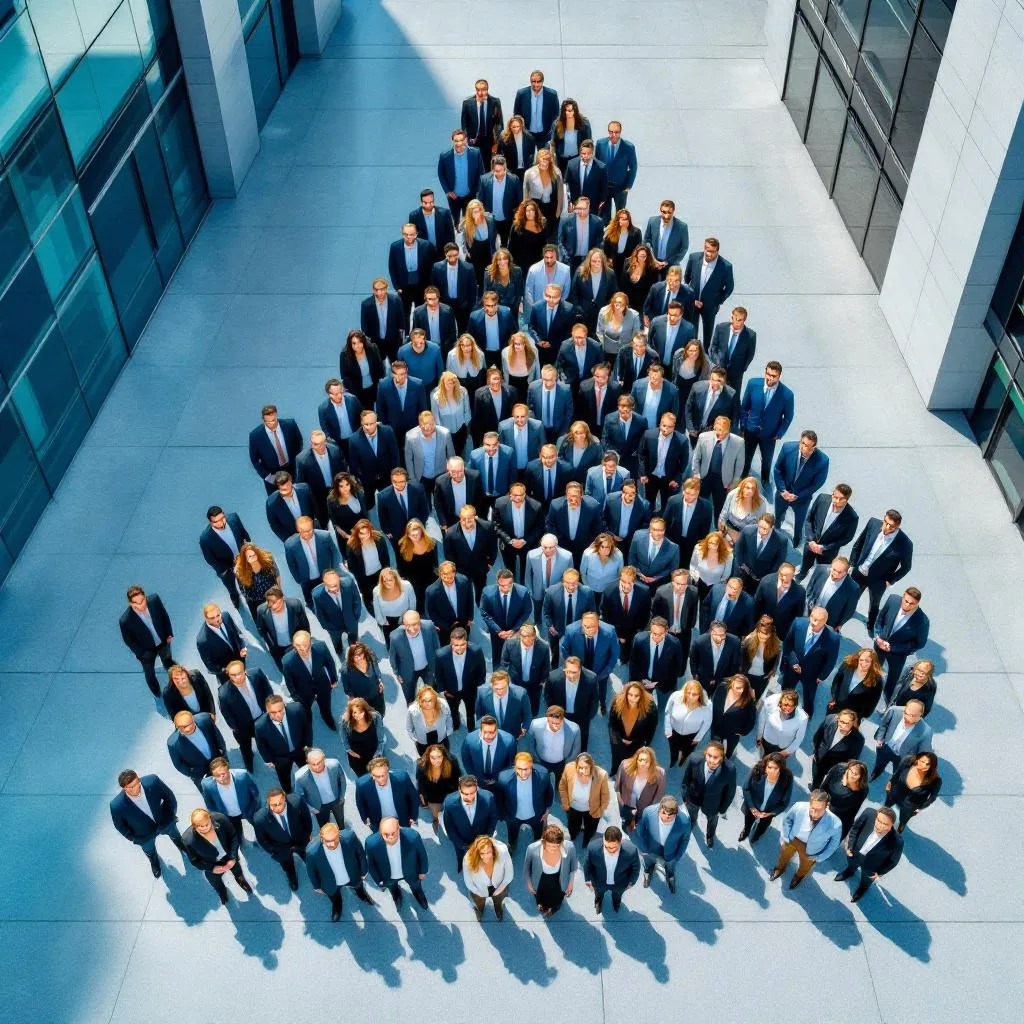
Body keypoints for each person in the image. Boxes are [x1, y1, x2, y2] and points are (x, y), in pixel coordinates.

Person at [849, 509, 914, 632]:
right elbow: (858, 544)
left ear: (898, 526)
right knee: (852, 596)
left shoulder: (905, 543)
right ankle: (847, 613)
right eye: (886, 522)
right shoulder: (873, 523)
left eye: (892, 526)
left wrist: (891, 580)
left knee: (874, 605)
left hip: (879, 580)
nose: (887, 527)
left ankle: (871, 624)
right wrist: (852, 564)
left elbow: (906, 567)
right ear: (884, 518)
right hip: (859, 571)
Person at [110, 769, 182, 877]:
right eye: (131, 787)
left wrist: (171, 815)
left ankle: (182, 847)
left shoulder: (153, 781)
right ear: (124, 788)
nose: (136, 789)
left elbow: (170, 797)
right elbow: (120, 826)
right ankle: (154, 862)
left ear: (138, 779)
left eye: (136, 783)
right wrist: (134, 838)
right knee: (150, 851)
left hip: (164, 821)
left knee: (176, 835)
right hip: (143, 835)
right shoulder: (116, 805)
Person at [770, 791, 843, 889]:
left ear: (827, 806)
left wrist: (819, 857)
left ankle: (799, 876)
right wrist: (785, 838)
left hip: (812, 851)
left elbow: (833, 845)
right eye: (812, 808)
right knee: (783, 856)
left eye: (819, 809)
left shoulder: (836, 823)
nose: (815, 813)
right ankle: (779, 868)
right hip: (793, 840)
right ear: (809, 803)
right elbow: (787, 820)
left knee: (805, 867)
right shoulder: (799, 807)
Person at [739, 360, 795, 483]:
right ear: (765, 372)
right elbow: (744, 407)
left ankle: (765, 480)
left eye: (774, 376)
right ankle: (743, 477)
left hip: (770, 435)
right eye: (768, 374)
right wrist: (743, 425)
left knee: (766, 460)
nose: (770, 378)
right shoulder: (753, 384)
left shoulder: (787, 395)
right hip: (750, 430)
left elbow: (788, 417)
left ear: (779, 376)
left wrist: (779, 433)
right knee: (746, 457)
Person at [181, 809, 253, 904]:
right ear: (194, 826)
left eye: (207, 824)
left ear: (210, 819)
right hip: (211, 864)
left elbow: (233, 836)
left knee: (237, 870)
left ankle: (239, 878)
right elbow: (195, 860)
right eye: (201, 826)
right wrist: (212, 868)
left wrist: (233, 857)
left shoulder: (221, 819)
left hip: (229, 856)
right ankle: (221, 891)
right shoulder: (187, 840)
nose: (205, 827)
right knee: (216, 882)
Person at [306, 823, 375, 921]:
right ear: (321, 838)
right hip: (330, 882)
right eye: (328, 841)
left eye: (335, 839)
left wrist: (364, 871)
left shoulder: (350, 837)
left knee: (358, 886)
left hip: (352, 875)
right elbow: (311, 871)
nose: (332, 844)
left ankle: (362, 895)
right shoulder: (312, 852)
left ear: (339, 834)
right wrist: (316, 886)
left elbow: (361, 854)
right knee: (334, 896)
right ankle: (337, 906)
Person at [772, 430, 829, 546]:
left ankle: (797, 538)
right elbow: (777, 469)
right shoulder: (787, 448)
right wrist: (782, 490)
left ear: (814, 447)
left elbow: (817, 484)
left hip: (802, 498)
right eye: (802, 443)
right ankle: (775, 533)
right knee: (777, 515)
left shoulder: (823, 461)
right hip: (783, 493)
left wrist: (798, 496)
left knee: (799, 522)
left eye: (807, 446)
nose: (803, 447)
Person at [835, 806, 904, 902]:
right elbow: (855, 829)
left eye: (885, 824)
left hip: (872, 867)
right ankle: (849, 872)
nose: (880, 825)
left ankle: (862, 888)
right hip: (854, 854)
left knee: (866, 881)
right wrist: (850, 846)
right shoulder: (868, 813)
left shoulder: (897, 841)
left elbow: (893, 861)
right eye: (878, 821)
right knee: (851, 865)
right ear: (876, 817)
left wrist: (880, 873)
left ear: (892, 825)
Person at [781, 607, 841, 715]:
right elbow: (787, 644)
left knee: (809, 697)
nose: (812, 621)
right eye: (812, 616)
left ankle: (806, 715)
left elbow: (831, 661)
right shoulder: (798, 623)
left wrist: (821, 676)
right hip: (792, 668)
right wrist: (793, 662)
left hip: (812, 674)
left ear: (824, 622)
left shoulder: (833, 638)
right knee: (786, 690)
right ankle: (783, 708)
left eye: (817, 620)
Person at [873, 587, 930, 695]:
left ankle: (886, 697)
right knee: (874, 668)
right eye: (906, 601)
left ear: (917, 603)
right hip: (879, 645)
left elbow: (920, 643)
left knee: (892, 679)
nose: (907, 605)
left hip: (898, 654)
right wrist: (878, 637)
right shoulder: (892, 600)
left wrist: (895, 648)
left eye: (912, 603)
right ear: (903, 596)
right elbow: (880, 620)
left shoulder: (922, 620)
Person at [119, 586, 174, 696]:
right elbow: (128, 640)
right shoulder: (125, 620)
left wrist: (169, 634)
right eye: (137, 603)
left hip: (163, 642)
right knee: (149, 674)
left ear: (144, 596)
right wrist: (141, 653)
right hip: (146, 651)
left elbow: (164, 616)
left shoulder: (154, 600)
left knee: (168, 661)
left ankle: (175, 682)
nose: (141, 605)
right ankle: (157, 693)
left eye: (142, 600)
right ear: (131, 604)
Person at [216, 660, 271, 772]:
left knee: (268, 740)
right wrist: (237, 729)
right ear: (229, 675)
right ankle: (249, 765)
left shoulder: (256, 674)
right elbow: (227, 714)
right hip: (243, 727)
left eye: (240, 673)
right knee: (246, 749)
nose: (237, 677)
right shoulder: (223, 693)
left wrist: (270, 710)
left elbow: (268, 690)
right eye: (233, 675)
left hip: (263, 717)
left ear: (244, 670)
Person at [253, 788, 312, 890]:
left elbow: (307, 819)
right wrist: (273, 851)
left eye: (280, 803)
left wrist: (306, 835)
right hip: (280, 848)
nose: (278, 807)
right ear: (268, 803)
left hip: (301, 839)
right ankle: (291, 875)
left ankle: (314, 870)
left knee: (309, 857)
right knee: (287, 865)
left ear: (285, 798)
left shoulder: (297, 801)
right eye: (274, 805)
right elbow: (262, 840)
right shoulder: (259, 819)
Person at [365, 817, 430, 910]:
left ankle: (418, 893)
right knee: (393, 889)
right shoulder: (371, 843)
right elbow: (371, 864)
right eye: (386, 834)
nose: (390, 837)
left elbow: (422, 855)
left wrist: (423, 871)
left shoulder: (413, 837)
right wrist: (379, 880)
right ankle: (397, 896)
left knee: (416, 886)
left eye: (393, 833)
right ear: (380, 832)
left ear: (398, 828)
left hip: (411, 872)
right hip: (389, 876)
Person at [681, 740, 737, 847]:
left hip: (713, 804)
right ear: (705, 753)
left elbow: (730, 792)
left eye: (715, 757)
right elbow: (686, 779)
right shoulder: (694, 759)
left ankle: (710, 835)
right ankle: (692, 823)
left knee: (712, 821)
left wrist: (723, 809)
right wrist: (685, 796)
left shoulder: (730, 770)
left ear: (722, 757)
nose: (711, 760)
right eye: (709, 755)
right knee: (691, 815)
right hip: (693, 798)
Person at [798, 484, 858, 580]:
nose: (836, 501)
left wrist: (824, 547)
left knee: (821, 574)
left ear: (846, 500)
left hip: (828, 552)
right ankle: (801, 576)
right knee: (804, 567)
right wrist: (811, 540)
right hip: (811, 544)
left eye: (841, 499)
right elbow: (809, 519)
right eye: (835, 496)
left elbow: (847, 538)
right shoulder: (822, 498)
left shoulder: (852, 517)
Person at [497, 752, 554, 852]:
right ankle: (512, 844)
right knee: (512, 832)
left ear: (531, 766)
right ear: (515, 766)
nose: (523, 773)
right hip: (513, 816)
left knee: (538, 832)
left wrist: (547, 809)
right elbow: (499, 799)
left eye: (526, 769)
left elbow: (549, 792)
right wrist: (504, 816)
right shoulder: (504, 778)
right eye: (519, 769)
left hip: (536, 815)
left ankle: (538, 843)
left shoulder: (543, 775)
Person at [683, 237, 734, 344]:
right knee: (692, 332)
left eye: (712, 251)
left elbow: (729, 288)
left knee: (708, 335)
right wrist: (691, 298)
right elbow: (687, 278)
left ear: (717, 251)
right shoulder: (694, 258)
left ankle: (706, 355)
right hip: (693, 303)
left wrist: (718, 301)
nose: (709, 253)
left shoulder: (726, 266)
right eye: (707, 249)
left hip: (710, 306)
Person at [254, 694, 311, 793]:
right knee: (284, 778)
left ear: (284, 705)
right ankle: (288, 792)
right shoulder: (260, 725)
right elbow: (261, 744)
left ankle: (309, 786)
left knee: (307, 770)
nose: (278, 715)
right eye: (273, 712)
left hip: (300, 750)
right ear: (267, 710)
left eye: (280, 710)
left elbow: (307, 727)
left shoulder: (297, 709)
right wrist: (268, 760)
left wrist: (308, 746)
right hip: (280, 758)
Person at [692, 416, 745, 520]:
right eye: (717, 429)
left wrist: (734, 483)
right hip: (704, 476)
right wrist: (696, 474)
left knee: (719, 507)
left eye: (722, 430)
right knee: (699, 503)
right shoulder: (703, 437)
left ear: (728, 430)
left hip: (723, 481)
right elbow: (696, 458)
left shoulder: (739, 442)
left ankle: (717, 527)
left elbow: (739, 465)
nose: (719, 433)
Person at [443, 503, 498, 603]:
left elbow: (493, 547)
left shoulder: (487, 527)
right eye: (463, 519)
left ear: (475, 516)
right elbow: (449, 554)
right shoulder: (450, 533)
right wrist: (455, 571)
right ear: (459, 518)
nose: (467, 522)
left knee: (480, 590)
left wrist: (490, 564)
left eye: (470, 518)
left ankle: (480, 604)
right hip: (462, 571)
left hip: (481, 568)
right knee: (464, 593)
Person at [284, 514, 342, 607]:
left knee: (332, 602)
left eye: (309, 530)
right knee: (312, 604)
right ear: (298, 529)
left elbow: (335, 553)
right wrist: (299, 579)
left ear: (313, 526)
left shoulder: (325, 536)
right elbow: (291, 564)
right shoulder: (290, 545)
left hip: (325, 576)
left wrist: (334, 571)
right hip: (306, 580)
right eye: (303, 531)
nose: (306, 534)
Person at [442, 775, 499, 870]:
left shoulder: (488, 798)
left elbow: (493, 819)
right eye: (465, 794)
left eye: (472, 793)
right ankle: (461, 865)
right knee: (462, 857)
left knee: (485, 860)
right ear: (459, 790)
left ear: (477, 788)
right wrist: (463, 846)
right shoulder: (449, 802)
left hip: (483, 839)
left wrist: (486, 838)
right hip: (462, 841)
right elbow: (449, 827)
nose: (469, 797)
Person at [635, 796, 690, 894]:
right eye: (664, 813)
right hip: (650, 849)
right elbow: (640, 830)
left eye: (671, 815)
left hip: (671, 852)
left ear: (676, 813)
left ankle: (670, 876)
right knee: (648, 863)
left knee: (670, 867)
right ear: (659, 809)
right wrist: (642, 849)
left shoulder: (684, 822)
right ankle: (648, 870)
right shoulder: (648, 812)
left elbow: (685, 840)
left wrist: (677, 857)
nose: (667, 817)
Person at [347, 410, 400, 510]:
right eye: (366, 424)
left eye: (372, 424)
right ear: (361, 423)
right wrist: (361, 478)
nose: (369, 427)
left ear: (376, 421)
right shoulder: (354, 440)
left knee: (390, 502)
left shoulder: (387, 432)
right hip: (367, 481)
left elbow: (394, 455)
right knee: (368, 505)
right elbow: (354, 464)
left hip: (386, 476)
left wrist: (394, 474)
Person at [638, 411, 689, 514]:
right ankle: (648, 523)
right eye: (664, 425)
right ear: (660, 424)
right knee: (649, 503)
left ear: (674, 426)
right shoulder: (649, 435)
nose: (666, 429)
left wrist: (676, 479)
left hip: (669, 479)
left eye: (670, 426)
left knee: (667, 506)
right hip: (651, 477)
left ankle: (663, 525)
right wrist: (643, 474)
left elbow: (683, 462)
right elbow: (641, 455)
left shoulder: (682, 440)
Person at [544, 653, 599, 750]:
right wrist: (554, 714)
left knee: (581, 743)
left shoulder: (591, 679)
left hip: (582, 718)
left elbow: (594, 701)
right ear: (564, 669)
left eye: (574, 672)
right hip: (560, 716)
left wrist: (588, 717)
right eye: (568, 672)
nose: (571, 676)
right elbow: (548, 696)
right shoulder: (553, 677)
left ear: (580, 670)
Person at [493, 480, 544, 583]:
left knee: (526, 570)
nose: (518, 497)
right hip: (508, 545)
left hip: (527, 544)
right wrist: (510, 541)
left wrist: (525, 541)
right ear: (510, 495)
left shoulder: (536, 506)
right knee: (509, 569)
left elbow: (539, 527)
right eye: (515, 495)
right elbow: (496, 525)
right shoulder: (500, 504)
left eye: (521, 495)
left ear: (525, 494)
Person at [199, 506, 250, 609]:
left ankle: (249, 597)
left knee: (247, 582)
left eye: (222, 518)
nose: (221, 523)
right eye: (216, 522)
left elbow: (244, 533)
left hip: (243, 558)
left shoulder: (234, 518)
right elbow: (210, 559)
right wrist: (228, 570)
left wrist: (249, 547)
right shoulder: (205, 539)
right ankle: (234, 594)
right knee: (230, 585)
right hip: (226, 568)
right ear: (210, 522)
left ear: (224, 514)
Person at [296, 429, 347, 530]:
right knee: (323, 521)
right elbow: (301, 484)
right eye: (316, 444)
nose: (320, 447)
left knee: (342, 518)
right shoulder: (302, 460)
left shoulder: (335, 450)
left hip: (336, 491)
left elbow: (344, 471)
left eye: (322, 443)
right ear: (311, 444)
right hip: (318, 497)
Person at [738, 752, 793, 843]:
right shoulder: (756, 771)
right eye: (769, 767)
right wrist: (752, 807)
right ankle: (746, 831)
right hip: (752, 806)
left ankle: (756, 836)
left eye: (776, 768)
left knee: (763, 826)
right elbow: (746, 788)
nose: (772, 771)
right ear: (765, 767)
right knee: (748, 821)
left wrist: (771, 813)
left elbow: (784, 803)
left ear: (781, 769)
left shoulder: (787, 779)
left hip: (769, 812)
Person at [871, 700, 933, 781]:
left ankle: (893, 781)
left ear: (920, 716)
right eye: (906, 713)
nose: (907, 717)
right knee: (879, 763)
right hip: (885, 747)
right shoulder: (894, 711)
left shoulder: (926, 731)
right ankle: (876, 772)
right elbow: (884, 725)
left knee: (897, 773)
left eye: (912, 716)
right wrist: (880, 739)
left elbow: (924, 752)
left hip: (903, 758)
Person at [525, 823, 577, 918]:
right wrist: (529, 884)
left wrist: (571, 883)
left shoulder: (570, 847)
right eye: (550, 845)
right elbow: (527, 869)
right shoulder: (532, 849)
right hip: (540, 879)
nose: (553, 849)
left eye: (557, 846)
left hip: (559, 878)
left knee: (558, 897)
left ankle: (555, 907)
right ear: (543, 841)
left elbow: (573, 866)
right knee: (540, 896)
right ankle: (543, 906)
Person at [584, 825, 640, 912]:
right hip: (599, 882)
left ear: (620, 841)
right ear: (603, 840)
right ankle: (598, 901)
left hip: (620, 883)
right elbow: (587, 865)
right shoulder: (592, 848)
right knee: (598, 894)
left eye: (614, 847)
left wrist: (632, 882)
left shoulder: (631, 851)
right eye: (607, 846)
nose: (610, 850)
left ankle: (616, 902)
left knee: (617, 896)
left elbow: (636, 869)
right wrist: (587, 879)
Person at [545, 481, 603, 567]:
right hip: (562, 546)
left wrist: (591, 544)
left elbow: (597, 527)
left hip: (584, 546)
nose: (572, 499)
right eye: (570, 496)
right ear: (566, 494)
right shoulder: (555, 505)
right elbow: (549, 524)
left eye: (575, 496)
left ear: (581, 495)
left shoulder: (592, 506)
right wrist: (556, 540)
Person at [389, 609, 441, 703]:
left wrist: (438, 665)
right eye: (408, 625)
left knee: (431, 689)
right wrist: (396, 672)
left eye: (414, 624)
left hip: (428, 667)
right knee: (409, 694)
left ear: (420, 622)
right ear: (403, 624)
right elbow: (392, 657)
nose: (411, 629)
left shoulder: (429, 627)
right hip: (408, 671)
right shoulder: (395, 637)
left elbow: (436, 646)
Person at [167, 710, 226, 791]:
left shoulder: (205, 720)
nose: (187, 729)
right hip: (200, 774)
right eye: (182, 727)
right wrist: (193, 773)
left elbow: (218, 737)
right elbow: (178, 764)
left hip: (219, 761)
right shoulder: (173, 743)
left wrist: (223, 753)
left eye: (188, 724)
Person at [201, 757, 260, 840]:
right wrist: (218, 818)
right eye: (217, 775)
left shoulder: (243, 776)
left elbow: (255, 793)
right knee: (236, 833)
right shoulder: (207, 785)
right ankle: (240, 840)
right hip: (228, 816)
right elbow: (209, 804)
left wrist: (254, 808)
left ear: (229, 769)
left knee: (258, 827)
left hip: (248, 810)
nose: (221, 778)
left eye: (223, 774)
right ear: (213, 776)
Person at [249, 403, 302, 493]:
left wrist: (297, 464)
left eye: (273, 420)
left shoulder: (290, 425)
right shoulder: (255, 436)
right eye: (268, 422)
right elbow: (255, 460)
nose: (272, 424)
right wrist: (268, 477)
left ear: (276, 415)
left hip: (292, 469)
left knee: (299, 496)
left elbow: (299, 442)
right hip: (273, 475)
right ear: (263, 420)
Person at [355, 757, 419, 832]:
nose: (381, 779)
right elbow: (360, 803)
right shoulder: (362, 785)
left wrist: (413, 816)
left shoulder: (402, 778)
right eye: (378, 776)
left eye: (384, 775)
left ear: (388, 770)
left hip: (402, 819)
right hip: (378, 823)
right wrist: (365, 818)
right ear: (372, 775)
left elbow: (413, 798)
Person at [608, 682, 659, 774]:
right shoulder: (617, 702)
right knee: (616, 758)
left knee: (632, 762)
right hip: (618, 740)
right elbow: (612, 724)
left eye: (636, 696)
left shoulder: (650, 709)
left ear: (641, 696)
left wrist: (637, 742)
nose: (633, 698)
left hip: (636, 743)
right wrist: (617, 741)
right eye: (630, 695)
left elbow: (650, 731)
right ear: (626, 694)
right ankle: (615, 771)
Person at [885, 751, 942, 833]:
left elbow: (932, 798)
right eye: (922, 761)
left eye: (927, 764)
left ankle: (902, 824)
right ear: (918, 758)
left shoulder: (935, 780)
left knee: (904, 818)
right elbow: (897, 773)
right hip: (895, 793)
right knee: (886, 808)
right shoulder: (907, 761)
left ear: (932, 766)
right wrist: (890, 782)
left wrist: (921, 807)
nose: (924, 765)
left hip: (911, 804)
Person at [255, 586, 309, 671]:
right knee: (286, 671)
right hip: (278, 649)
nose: (274, 607)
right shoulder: (261, 610)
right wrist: (270, 643)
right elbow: (261, 629)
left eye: (276, 602)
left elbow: (305, 625)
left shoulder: (295, 605)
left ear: (283, 598)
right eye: (271, 604)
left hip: (296, 644)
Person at [438, 128, 485, 226]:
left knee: (468, 220)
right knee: (455, 217)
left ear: (466, 140)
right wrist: (448, 191)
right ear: (452, 141)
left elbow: (481, 173)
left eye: (461, 140)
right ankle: (456, 224)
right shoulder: (445, 156)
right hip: (453, 196)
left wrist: (476, 191)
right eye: (456, 141)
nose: (459, 143)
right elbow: (441, 174)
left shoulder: (475, 153)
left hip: (470, 195)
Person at [404, 410, 455, 499]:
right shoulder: (410, 437)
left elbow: (451, 456)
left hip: (440, 475)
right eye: (425, 423)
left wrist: (452, 474)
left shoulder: (445, 434)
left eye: (431, 423)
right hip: (422, 477)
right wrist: (412, 479)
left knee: (441, 501)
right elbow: (408, 458)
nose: (428, 427)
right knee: (425, 503)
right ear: (419, 425)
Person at [752, 562, 805, 646]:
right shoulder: (766, 582)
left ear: (793, 575)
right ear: (778, 572)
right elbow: (756, 604)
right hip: (761, 625)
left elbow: (797, 616)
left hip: (781, 630)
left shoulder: (799, 593)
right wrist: (754, 624)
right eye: (781, 574)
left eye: (787, 575)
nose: (784, 578)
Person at [463, 835, 514, 922]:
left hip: (499, 885)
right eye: (482, 853)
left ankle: (498, 909)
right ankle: (479, 910)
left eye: (488, 852)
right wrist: (478, 892)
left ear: (493, 850)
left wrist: (500, 889)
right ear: (477, 853)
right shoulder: (468, 859)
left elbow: (509, 874)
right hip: (478, 888)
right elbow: (468, 881)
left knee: (498, 901)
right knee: (479, 903)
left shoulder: (503, 852)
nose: (486, 856)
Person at [811, 709, 866, 789]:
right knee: (816, 777)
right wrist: (815, 752)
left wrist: (841, 771)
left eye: (847, 724)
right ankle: (814, 788)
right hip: (818, 758)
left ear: (853, 723)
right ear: (837, 719)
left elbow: (852, 760)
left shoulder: (858, 740)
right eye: (841, 722)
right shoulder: (830, 720)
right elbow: (817, 737)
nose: (843, 726)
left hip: (834, 766)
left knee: (829, 784)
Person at [615, 746, 665, 833]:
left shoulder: (660, 774)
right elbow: (617, 788)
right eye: (640, 760)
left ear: (651, 762)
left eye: (646, 761)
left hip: (644, 808)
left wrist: (650, 812)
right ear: (636, 760)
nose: (642, 763)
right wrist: (623, 807)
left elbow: (659, 796)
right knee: (627, 821)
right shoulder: (625, 766)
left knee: (639, 824)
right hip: (627, 805)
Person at [424, 561, 475, 647]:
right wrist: (445, 626)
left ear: (455, 572)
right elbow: (430, 613)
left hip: (463, 624)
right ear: (440, 574)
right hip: (445, 629)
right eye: (445, 575)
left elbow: (470, 600)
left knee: (463, 646)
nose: (449, 579)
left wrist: (470, 617)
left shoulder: (464, 581)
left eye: (451, 575)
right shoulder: (431, 591)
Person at [804, 555, 860, 633]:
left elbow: (849, 610)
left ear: (846, 572)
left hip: (828, 622)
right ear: (831, 566)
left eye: (840, 572)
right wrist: (808, 605)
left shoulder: (853, 588)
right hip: (809, 613)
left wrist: (840, 624)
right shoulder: (820, 569)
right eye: (834, 569)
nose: (836, 573)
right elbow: (810, 588)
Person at [294, 747, 347, 829]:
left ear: (324, 759)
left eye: (319, 763)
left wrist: (342, 797)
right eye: (313, 764)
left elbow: (342, 781)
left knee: (340, 820)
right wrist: (312, 809)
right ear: (307, 763)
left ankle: (342, 832)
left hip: (337, 801)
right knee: (325, 826)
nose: (317, 767)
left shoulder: (335, 765)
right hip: (319, 807)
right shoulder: (300, 777)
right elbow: (299, 797)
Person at [461, 716, 517, 792]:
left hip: (499, 781)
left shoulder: (509, 741)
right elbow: (466, 760)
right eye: (485, 732)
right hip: (478, 780)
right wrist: (475, 777)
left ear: (497, 730)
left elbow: (511, 763)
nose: (487, 736)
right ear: (480, 730)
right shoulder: (469, 740)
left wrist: (499, 778)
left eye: (491, 732)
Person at [569, 250, 618, 336]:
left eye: (599, 261)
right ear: (589, 261)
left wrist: (608, 309)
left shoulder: (610, 274)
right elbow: (573, 292)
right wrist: (578, 308)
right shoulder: (580, 272)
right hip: (583, 313)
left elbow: (614, 293)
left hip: (602, 313)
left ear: (603, 261)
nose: (596, 263)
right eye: (593, 261)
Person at [708, 306, 757, 392]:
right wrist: (717, 363)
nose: (737, 322)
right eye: (736, 319)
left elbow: (750, 355)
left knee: (734, 396)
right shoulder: (721, 328)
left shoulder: (751, 335)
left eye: (740, 320)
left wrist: (742, 368)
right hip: (719, 369)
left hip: (736, 373)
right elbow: (713, 347)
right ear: (732, 317)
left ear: (744, 320)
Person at [346, 519, 391, 612]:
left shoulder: (379, 539)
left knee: (384, 595)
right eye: (361, 533)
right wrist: (359, 580)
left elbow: (386, 556)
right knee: (369, 599)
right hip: (365, 578)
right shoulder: (352, 545)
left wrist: (387, 571)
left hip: (380, 573)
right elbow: (352, 566)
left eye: (367, 533)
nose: (365, 536)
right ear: (357, 534)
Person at [390, 224, 433, 318]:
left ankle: (419, 332)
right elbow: (392, 268)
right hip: (404, 288)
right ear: (402, 234)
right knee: (404, 313)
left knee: (421, 313)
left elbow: (431, 268)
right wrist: (397, 287)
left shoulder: (426, 246)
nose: (408, 237)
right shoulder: (395, 247)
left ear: (416, 234)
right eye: (405, 234)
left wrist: (429, 287)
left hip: (421, 286)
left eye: (411, 234)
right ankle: (406, 333)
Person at [828, 648, 884, 721]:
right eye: (861, 660)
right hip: (835, 708)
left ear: (872, 663)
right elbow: (836, 682)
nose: (863, 663)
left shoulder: (876, 680)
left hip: (852, 717)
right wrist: (834, 698)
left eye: (867, 661)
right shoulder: (847, 664)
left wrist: (859, 716)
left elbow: (872, 704)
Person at [394, 520, 438, 612]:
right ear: (407, 534)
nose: (414, 535)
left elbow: (435, 562)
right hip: (413, 580)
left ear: (421, 530)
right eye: (411, 533)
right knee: (419, 605)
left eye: (416, 531)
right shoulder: (402, 546)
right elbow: (401, 567)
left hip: (430, 576)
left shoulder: (432, 542)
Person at [527, 706, 582, 780]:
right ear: (547, 719)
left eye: (558, 723)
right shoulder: (535, 725)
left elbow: (576, 750)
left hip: (562, 764)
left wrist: (568, 764)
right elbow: (530, 743)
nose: (555, 726)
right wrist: (536, 759)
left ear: (563, 719)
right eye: (552, 722)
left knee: (559, 782)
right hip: (541, 762)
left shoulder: (574, 729)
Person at [416, 744, 461, 833]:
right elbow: (420, 782)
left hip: (448, 789)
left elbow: (457, 778)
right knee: (435, 809)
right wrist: (422, 796)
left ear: (443, 756)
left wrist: (456, 795)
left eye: (439, 757)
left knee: (452, 808)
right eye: (433, 757)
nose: (436, 760)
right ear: (428, 757)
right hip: (431, 792)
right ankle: (436, 819)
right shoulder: (422, 765)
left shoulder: (452, 762)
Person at [710, 673, 757, 758]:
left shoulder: (748, 701)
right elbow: (714, 700)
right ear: (731, 683)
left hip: (730, 735)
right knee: (714, 748)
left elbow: (751, 720)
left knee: (726, 754)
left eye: (743, 688)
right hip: (716, 728)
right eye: (738, 688)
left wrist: (741, 732)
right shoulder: (722, 687)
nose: (741, 690)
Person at [475, 669, 531, 740]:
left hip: (513, 734)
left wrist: (524, 729)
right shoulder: (481, 693)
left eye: (503, 688)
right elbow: (479, 715)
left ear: (508, 684)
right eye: (497, 689)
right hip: (492, 734)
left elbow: (527, 715)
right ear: (492, 685)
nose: (500, 691)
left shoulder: (521, 694)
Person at [689, 620, 741, 695]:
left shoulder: (735, 642)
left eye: (722, 635)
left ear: (726, 632)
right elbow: (693, 660)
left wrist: (725, 680)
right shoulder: (699, 642)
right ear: (711, 632)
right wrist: (695, 675)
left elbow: (735, 664)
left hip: (723, 681)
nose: (719, 637)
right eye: (715, 634)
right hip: (703, 680)